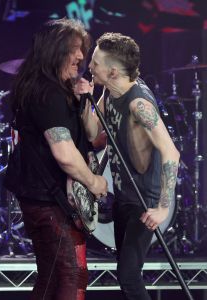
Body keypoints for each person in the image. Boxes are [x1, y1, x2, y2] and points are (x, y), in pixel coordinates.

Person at [7, 18, 107, 300]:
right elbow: (64, 154)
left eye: (82, 50)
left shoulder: (52, 89)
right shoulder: (47, 93)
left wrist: (84, 98)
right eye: (73, 50)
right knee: (72, 274)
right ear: (54, 51)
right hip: (50, 201)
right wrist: (94, 181)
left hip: (43, 199)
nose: (80, 57)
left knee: (51, 277)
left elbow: (91, 134)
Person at [75, 32, 180, 300]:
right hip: (124, 196)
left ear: (112, 72)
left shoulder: (138, 103)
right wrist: (88, 98)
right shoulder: (111, 91)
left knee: (129, 276)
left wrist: (163, 208)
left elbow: (171, 153)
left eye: (95, 63)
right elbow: (91, 132)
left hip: (143, 202)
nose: (89, 66)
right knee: (126, 276)